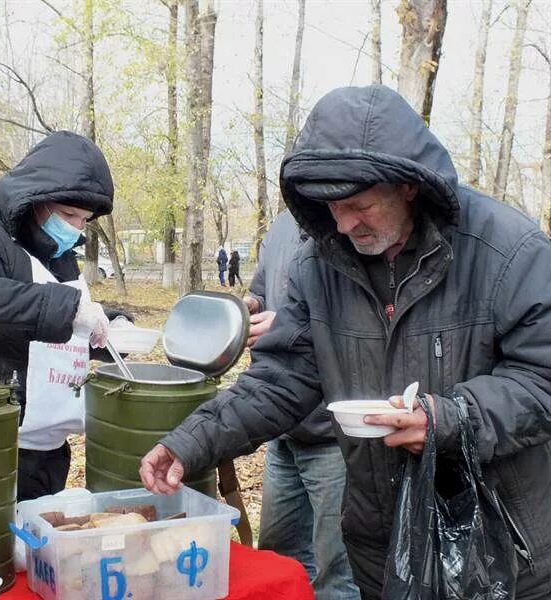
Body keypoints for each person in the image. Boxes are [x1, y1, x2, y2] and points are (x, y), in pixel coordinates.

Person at [140, 85, 551, 599]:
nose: (342, 222)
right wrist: (192, 442)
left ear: (408, 186)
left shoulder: (509, 251)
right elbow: (280, 379)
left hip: (496, 552)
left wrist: (449, 419)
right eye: (331, 206)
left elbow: (541, 380)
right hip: (379, 547)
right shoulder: (322, 262)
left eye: (359, 205)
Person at [0, 131, 131, 502]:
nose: (75, 228)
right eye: (68, 214)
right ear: (35, 198)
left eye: (84, 220)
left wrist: (106, 330)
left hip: (46, 445)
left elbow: (44, 313)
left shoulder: (53, 245)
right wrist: (68, 311)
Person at [244, 211, 359, 600]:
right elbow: (263, 285)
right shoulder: (280, 228)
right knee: (280, 559)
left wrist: (291, 324)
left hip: (334, 436)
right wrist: (253, 303)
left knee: (336, 570)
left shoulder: (349, 227)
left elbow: (362, 318)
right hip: (284, 428)